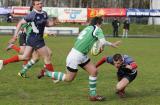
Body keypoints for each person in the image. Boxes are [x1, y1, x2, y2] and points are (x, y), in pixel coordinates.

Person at [38, 16, 121, 101]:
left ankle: (93, 95)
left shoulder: (88, 28)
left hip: (80, 54)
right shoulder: (98, 29)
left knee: (94, 71)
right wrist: (101, 48)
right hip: (76, 56)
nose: (102, 26)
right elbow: (102, 41)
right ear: (98, 23)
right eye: (101, 24)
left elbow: (101, 41)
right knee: (69, 78)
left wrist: (111, 44)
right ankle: (46, 73)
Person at [0, 0, 55, 75]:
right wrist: (14, 36)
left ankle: (3, 62)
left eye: (41, 3)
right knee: (47, 56)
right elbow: (20, 23)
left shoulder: (44, 13)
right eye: (37, 4)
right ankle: (53, 77)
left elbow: (46, 24)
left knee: (25, 57)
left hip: (34, 39)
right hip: (35, 39)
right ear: (34, 6)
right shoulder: (32, 15)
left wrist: (53, 23)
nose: (40, 5)